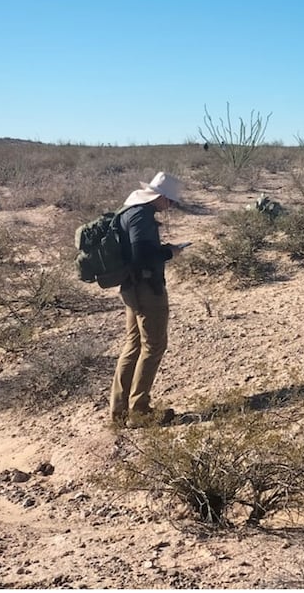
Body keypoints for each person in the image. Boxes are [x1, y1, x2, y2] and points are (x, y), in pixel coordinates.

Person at [111, 171, 187, 428]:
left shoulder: (129, 211)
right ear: (160, 196)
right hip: (146, 289)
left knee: (133, 345)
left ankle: (119, 412)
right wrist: (169, 252)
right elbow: (141, 256)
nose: (171, 206)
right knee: (153, 346)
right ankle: (139, 411)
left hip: (132, 287)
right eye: (171, 201)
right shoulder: (141, 216)